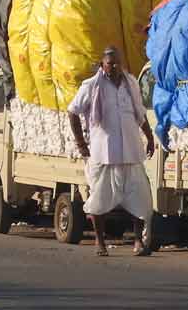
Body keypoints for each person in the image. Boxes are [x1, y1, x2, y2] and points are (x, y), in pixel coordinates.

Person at [67, 46, 156, 257]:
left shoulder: (131, 83)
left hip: (131, 152)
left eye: (117, 63)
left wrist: (150, 137)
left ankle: (138, 241)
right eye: (110, 63)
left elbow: (140, 114)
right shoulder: (91, 86)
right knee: (100, 199)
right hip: (103, 153)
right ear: (102, 65)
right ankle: (100, 241)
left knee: (140, 198)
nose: (115, 67)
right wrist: (81, 144)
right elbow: (72, 112)